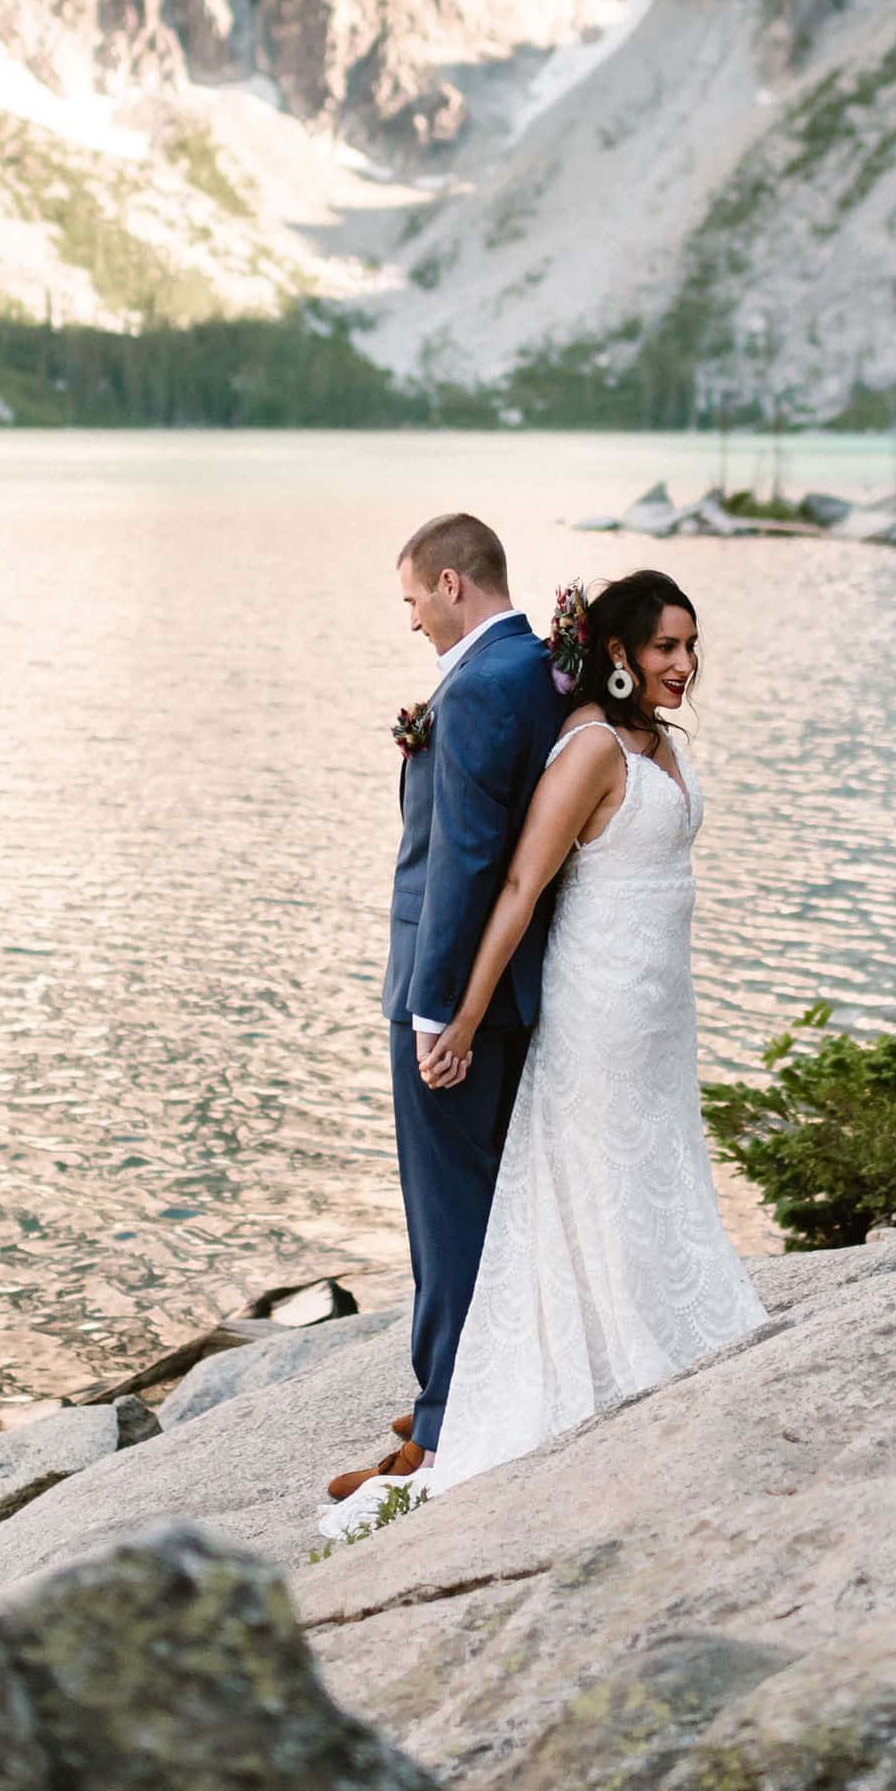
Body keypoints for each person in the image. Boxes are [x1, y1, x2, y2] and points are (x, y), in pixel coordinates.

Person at [320, 567, 761, 1534]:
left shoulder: (659, 742)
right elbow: (518, 885)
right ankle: (523, 1385)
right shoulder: (591, 746)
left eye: (690, 647)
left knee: (653, 1154)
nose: (684, 665)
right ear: (618, 655)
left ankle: (653, 1317)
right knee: (589, 1166)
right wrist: (465, 1014)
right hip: (597, 999)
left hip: (658, 1001)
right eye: (664, 648)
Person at [321, 512, 565, 1522]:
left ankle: (443, 1418)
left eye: (413, 597)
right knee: (476, 1196)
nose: (411, 618)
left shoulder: (475, 683)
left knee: (446, 1204)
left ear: (454, 582)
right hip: (501, 989)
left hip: (452, 992)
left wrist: (436, 1011)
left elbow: (466, 856)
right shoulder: (539, 666)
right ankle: (449, 1380)